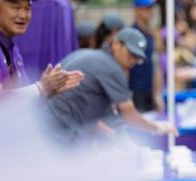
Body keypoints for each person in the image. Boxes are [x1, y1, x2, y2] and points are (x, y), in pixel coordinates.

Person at [45, 27, 174, 142]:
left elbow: (95, 115)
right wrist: (158, 127)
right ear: (117, 44)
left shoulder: (93, 56)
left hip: (46, 123)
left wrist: (119, 140)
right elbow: (129, 114)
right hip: (56, 130)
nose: (133, 61)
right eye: (131, 54)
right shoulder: (111, 67)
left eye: (137, 58)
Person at [131, 0, 163, 112]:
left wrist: (157, 93)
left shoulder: (151, 35)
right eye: (147, 8)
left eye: (151, 8)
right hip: (135, 91)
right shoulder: (132, 34)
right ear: (138, 10)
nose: (150, 12)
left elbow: (155, 64)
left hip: (149, 90)